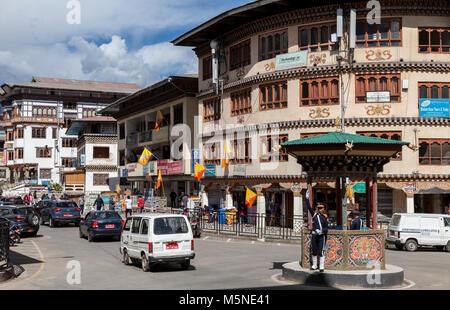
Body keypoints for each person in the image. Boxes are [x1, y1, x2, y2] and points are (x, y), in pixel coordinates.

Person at [305, 187, 328, 273]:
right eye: (321, 208)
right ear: (318, 209)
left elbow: (326, 227)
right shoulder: (314, 215)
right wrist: (307, 199)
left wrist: (322, 231)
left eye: (322, 208)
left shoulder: (324, 217)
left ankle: (321, 266)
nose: (322, 209)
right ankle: (314, 265)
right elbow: (309, 207)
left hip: (321, 236)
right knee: (314, 250)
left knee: (321, 251)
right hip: (314, 235)